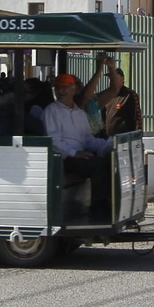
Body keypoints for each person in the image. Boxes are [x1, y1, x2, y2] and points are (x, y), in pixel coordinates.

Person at [43, 73, 112, 213]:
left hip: (79, 156)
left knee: (109, 161)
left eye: (66, 87)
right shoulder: (51, 111)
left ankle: (108, 204)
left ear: (74, 89)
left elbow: (87, 139)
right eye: (58, 88)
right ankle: (98, 210)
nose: (61, 91)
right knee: (98, 165)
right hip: (62, 159)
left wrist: (106, 144)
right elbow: (53, 141)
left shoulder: (80, 113)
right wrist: (74, 153)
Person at [99, 66, 144, 136]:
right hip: (108, 139)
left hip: (124, 139)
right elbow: (102, 117)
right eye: (109, 78)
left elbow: (137, 118)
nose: (111, 80)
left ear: (122, 79)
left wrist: (137, 135)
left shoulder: (129, 95)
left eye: (114, 77)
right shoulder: (106, 95)